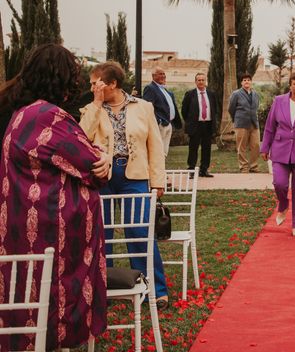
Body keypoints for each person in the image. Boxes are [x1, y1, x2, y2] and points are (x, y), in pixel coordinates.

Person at [0, 44, 109, 351]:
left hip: (22, 232)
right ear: (62, 79)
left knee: (27, 298)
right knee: (51, 304)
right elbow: (90, 163)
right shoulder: (50, 117)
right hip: (52, 238)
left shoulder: (22, 114)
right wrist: (105, 159)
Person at [79, 61, 170, 310]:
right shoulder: (90, 108)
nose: (91, 87)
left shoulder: (143, 107)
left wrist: (157, 181)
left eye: (95, 83)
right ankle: (102, 290)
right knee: (102, 233)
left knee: (139, 232)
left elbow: (155, 146)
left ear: (112, 84)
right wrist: (97, 104)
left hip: (136, 176)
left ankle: (154, 289)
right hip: (102, 177)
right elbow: (80, 138)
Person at [260, 69, 295, 237]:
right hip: (279, 149)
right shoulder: (279, 101)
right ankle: (283, 204)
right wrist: (265, 147)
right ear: (290, 85)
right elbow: (270, 126)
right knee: (280, 183)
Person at [182, 72, 217, 177]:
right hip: (195, 125)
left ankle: (204, 170)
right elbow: (184, 111)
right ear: (195, 82)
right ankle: (191, 170)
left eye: (203, 80)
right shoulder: (190, 94)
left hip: (208, 125)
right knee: (193, 148)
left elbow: (215, 109)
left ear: (205, 81)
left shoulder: (211, 94)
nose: (201, 82)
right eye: (199, 80)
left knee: (207, 148)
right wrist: (190, 122)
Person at [143, 66, 182, 158]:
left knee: (164, 153)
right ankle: (154, 172)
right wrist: (158, 121)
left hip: (168, 124)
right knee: (156, 152)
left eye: (164, 74)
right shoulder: (150, 88)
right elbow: (147, 108)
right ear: (153, 76)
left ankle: (160, 171)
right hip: (159, 126)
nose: (163, 76)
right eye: (160, 74)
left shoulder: (165, 90)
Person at [229, 73, 260, 173]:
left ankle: (254, 166)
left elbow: (256, 107)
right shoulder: (236, 94)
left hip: (254, 124)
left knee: (256, 145)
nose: (247, 81)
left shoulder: (255, 94)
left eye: (248, 80)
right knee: (241, 147)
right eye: (244, 80)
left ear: (251, 82)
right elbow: (231, 109)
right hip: (241, 124)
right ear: (241, 82)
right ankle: (244, 167)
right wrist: (236, 119)